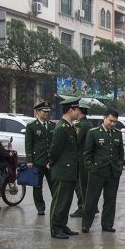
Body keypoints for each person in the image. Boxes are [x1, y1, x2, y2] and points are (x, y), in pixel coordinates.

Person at [81, 109, 124, 233]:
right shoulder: (93, 133)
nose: (112, 124)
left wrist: (119, 167)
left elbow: (121, 153)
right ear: (104, 118)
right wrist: (91, 168)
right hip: (97, 172)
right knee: (91, 199)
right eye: (110, 121)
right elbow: (87, 153)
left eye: (115, 122)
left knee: (110, 200)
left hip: (113, 172)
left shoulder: (117, 133)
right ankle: (86, 224)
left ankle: (107, 224)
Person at [48, 96, 82, 239]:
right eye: (77, 110)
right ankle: (55, 229)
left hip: (69, 171)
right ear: (71, 110)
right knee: (59, 201)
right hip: (62, 170)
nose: (79, 113)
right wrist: (55, 164)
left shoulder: (69, 126)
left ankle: (62, 225)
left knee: (66, 201)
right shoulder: (61, 128)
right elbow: (54, 150)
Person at [25, 101, 55, 216]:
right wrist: (29, 160)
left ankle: (55, 205)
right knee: (37, 186)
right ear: (38, 112)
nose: (47, 113)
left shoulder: (52, 125)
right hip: (37, 160)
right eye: (44, 111)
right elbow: (28, 143)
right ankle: (40, 207)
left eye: (48, 111)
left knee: (54, 185)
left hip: (51, 161)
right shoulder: (31, 126)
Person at [70, 100, 92, 218]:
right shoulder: (88, 124)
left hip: (79, 159)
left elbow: (75, 141)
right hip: (87, 159)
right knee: (86, 185)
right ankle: (90, 206)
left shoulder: (80, 125)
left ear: (78, 111)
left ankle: (82, 208)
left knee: (79, 186)